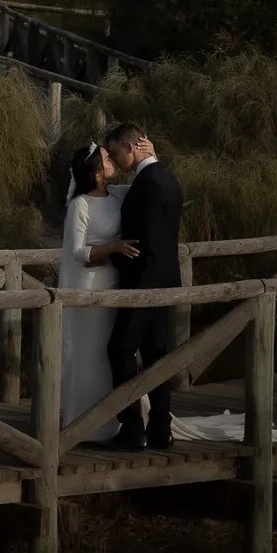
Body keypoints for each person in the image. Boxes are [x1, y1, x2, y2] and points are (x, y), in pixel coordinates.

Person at [103, 122, 183, 450]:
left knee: (120, 350)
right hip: (167, 281)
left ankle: (132, 427)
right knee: (156, 355)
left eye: (115, 151)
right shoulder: (167, 178)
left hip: (143, 283)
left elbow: (144, 242)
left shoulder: (147, 185)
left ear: (131, 147)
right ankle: (161, 428)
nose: (113, 158)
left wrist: (115, 260)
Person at [57, 142, 142, 442]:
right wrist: (114, 247)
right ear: (96, 173)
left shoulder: (117, 194)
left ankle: (119, 417)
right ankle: (86, 422)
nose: (113, 161)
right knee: (90, 353)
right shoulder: (80, 205)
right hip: (89, 289)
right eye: (107, 158)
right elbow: (78, 252)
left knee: (115, 353)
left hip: (115, 285)